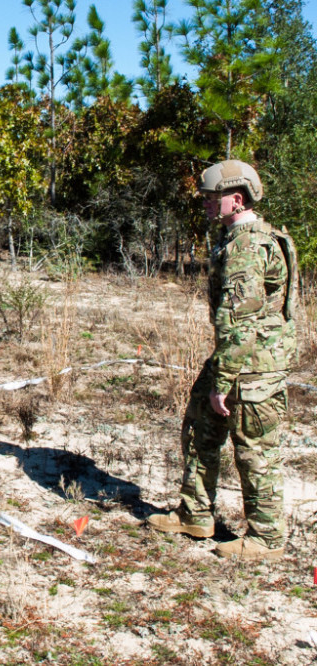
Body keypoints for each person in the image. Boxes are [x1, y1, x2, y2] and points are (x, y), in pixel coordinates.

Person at [147, 160, 299, 561]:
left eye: (213, 199)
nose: (208, 206)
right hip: (235, 358)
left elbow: (239, 321)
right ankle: (195, 513)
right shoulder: (245, 239)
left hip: (251, 367)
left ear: (237, 197)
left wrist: (223, 381)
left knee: (254, 450)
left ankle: (266, 539)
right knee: (199, 426)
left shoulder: (247, 247)